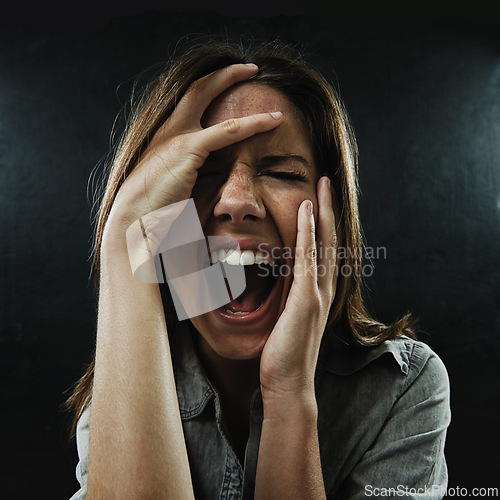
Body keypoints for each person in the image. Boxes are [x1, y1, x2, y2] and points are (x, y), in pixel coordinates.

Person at [67, 39, 451, 499]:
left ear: (333, 218)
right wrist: (123, 241)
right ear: (158, 221)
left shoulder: (403, 389)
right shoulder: (119, 392)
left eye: (284, 173)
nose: (237, 202)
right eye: (204, 173)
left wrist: (288, 393)